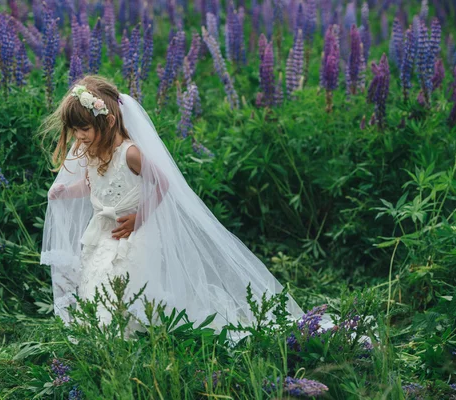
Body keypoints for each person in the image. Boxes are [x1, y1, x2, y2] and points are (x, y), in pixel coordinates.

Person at [38, 75, 309, 340]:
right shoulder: (95, 151)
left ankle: (127, 331)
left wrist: (139, 219)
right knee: (96, 275)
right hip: (104, 230)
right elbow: (93, 184)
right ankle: (106, 330)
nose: (78, 136)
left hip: (132, 232)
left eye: (84, 129)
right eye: (74, 129)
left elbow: (162, 183)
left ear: (108, 121)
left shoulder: (130, 153)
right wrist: (66, 191)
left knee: (120, 280)